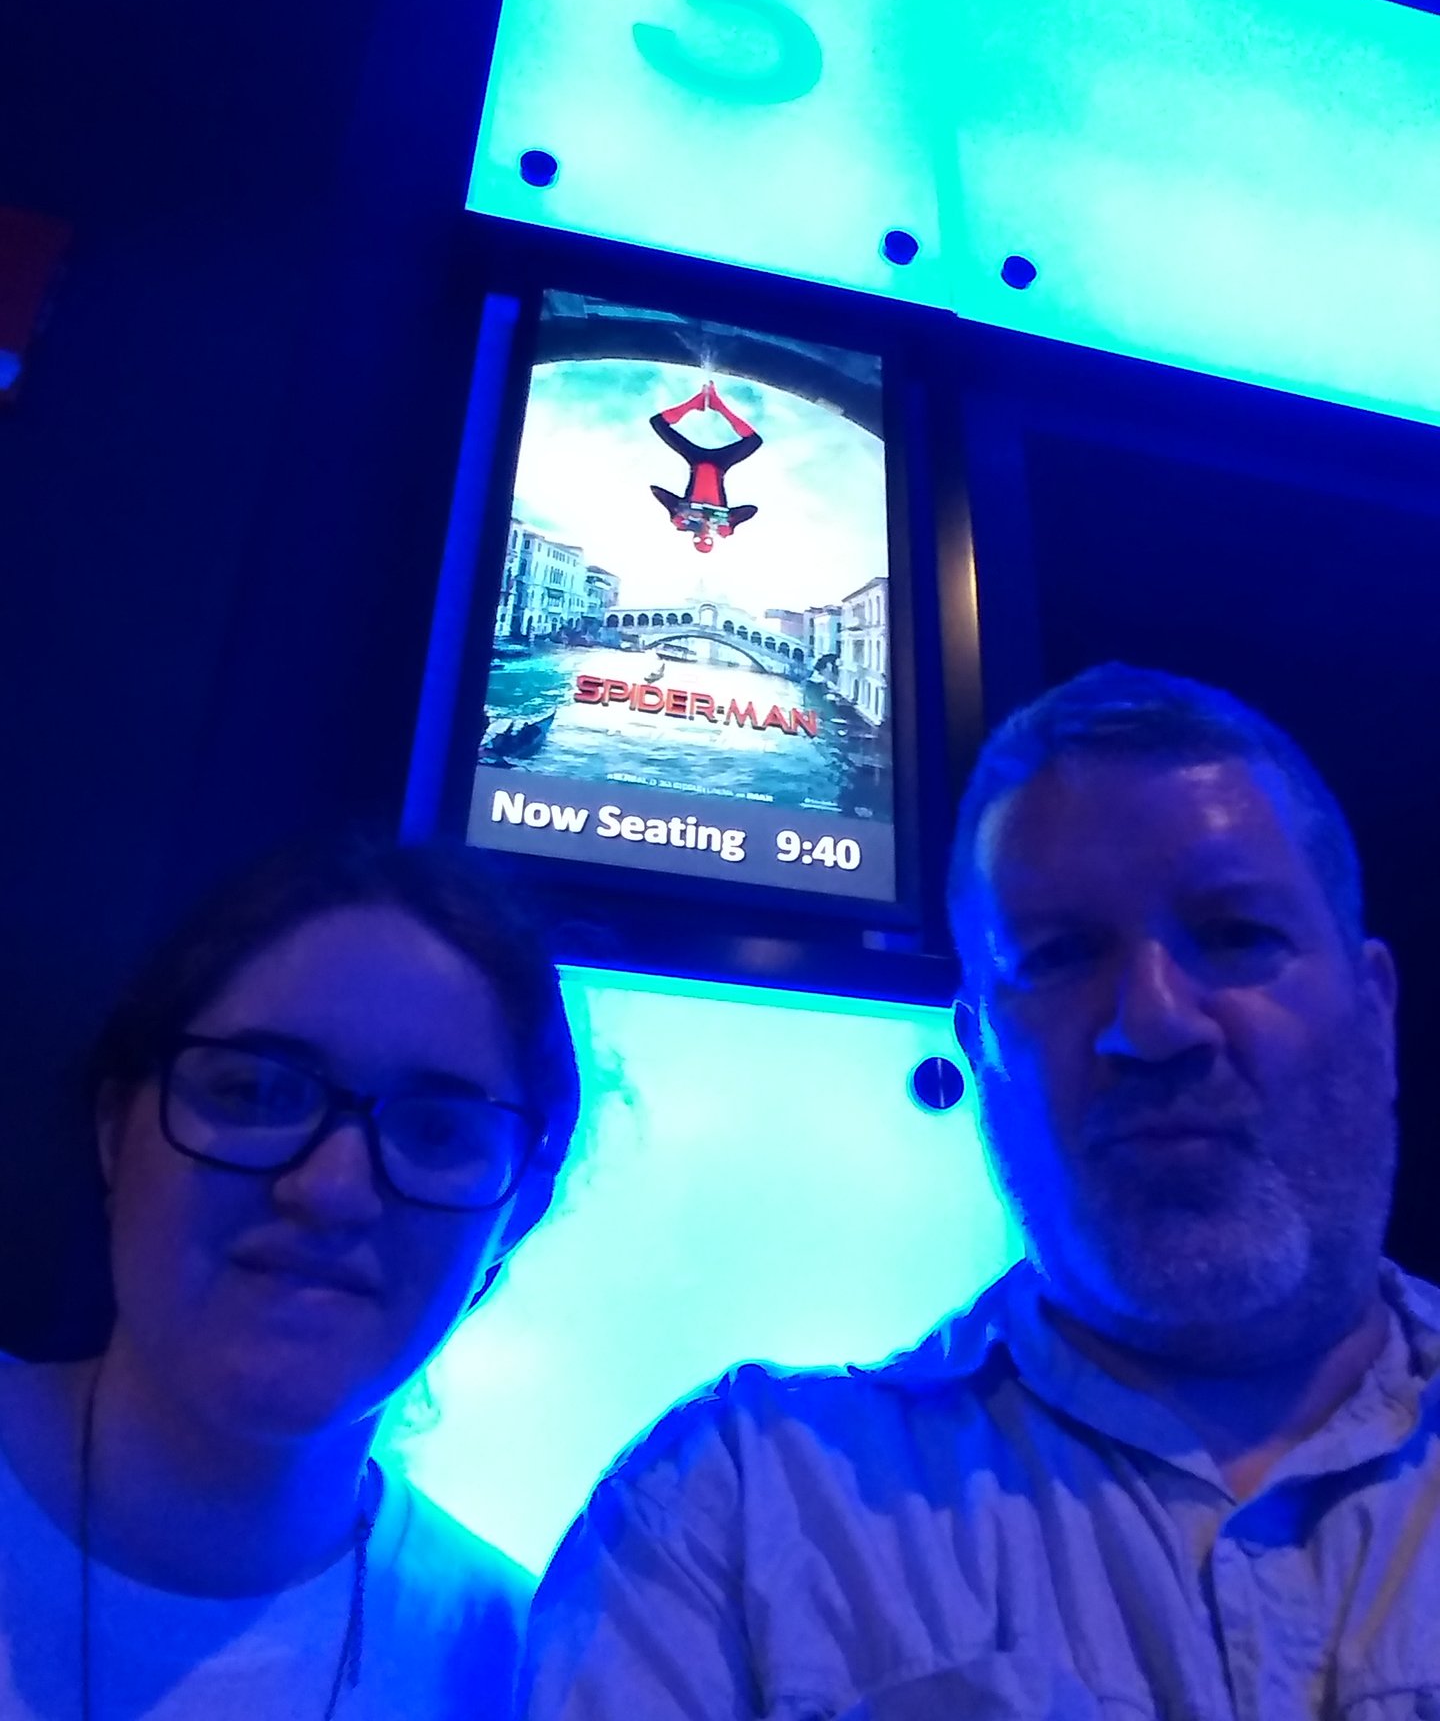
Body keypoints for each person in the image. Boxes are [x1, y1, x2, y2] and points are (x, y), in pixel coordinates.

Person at [521, 663, 1440, 1720]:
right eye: (1060, 956)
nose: (1153, 1023)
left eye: (1236, 936)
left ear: (1376, 1012)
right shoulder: (725, 1519)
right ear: (977, 1050)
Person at [0, 834, 581, 1720]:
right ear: (116, 1127)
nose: (332, 1190)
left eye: (435, 1130)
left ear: (518, 1214)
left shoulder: (521, 1672)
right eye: (256, 1091)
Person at [649, 380, 762, 554]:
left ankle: (696, 402)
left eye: (698, 539)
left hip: (695, 460)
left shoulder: (684, 519)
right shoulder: (724, 523)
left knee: (658, 423)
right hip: (720, 464)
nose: (702, 536)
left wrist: (677, 513)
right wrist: (730, 524)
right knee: (754, 441)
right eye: (707, 540)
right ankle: (718, 404)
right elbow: (751, 510)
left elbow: (656, 490)